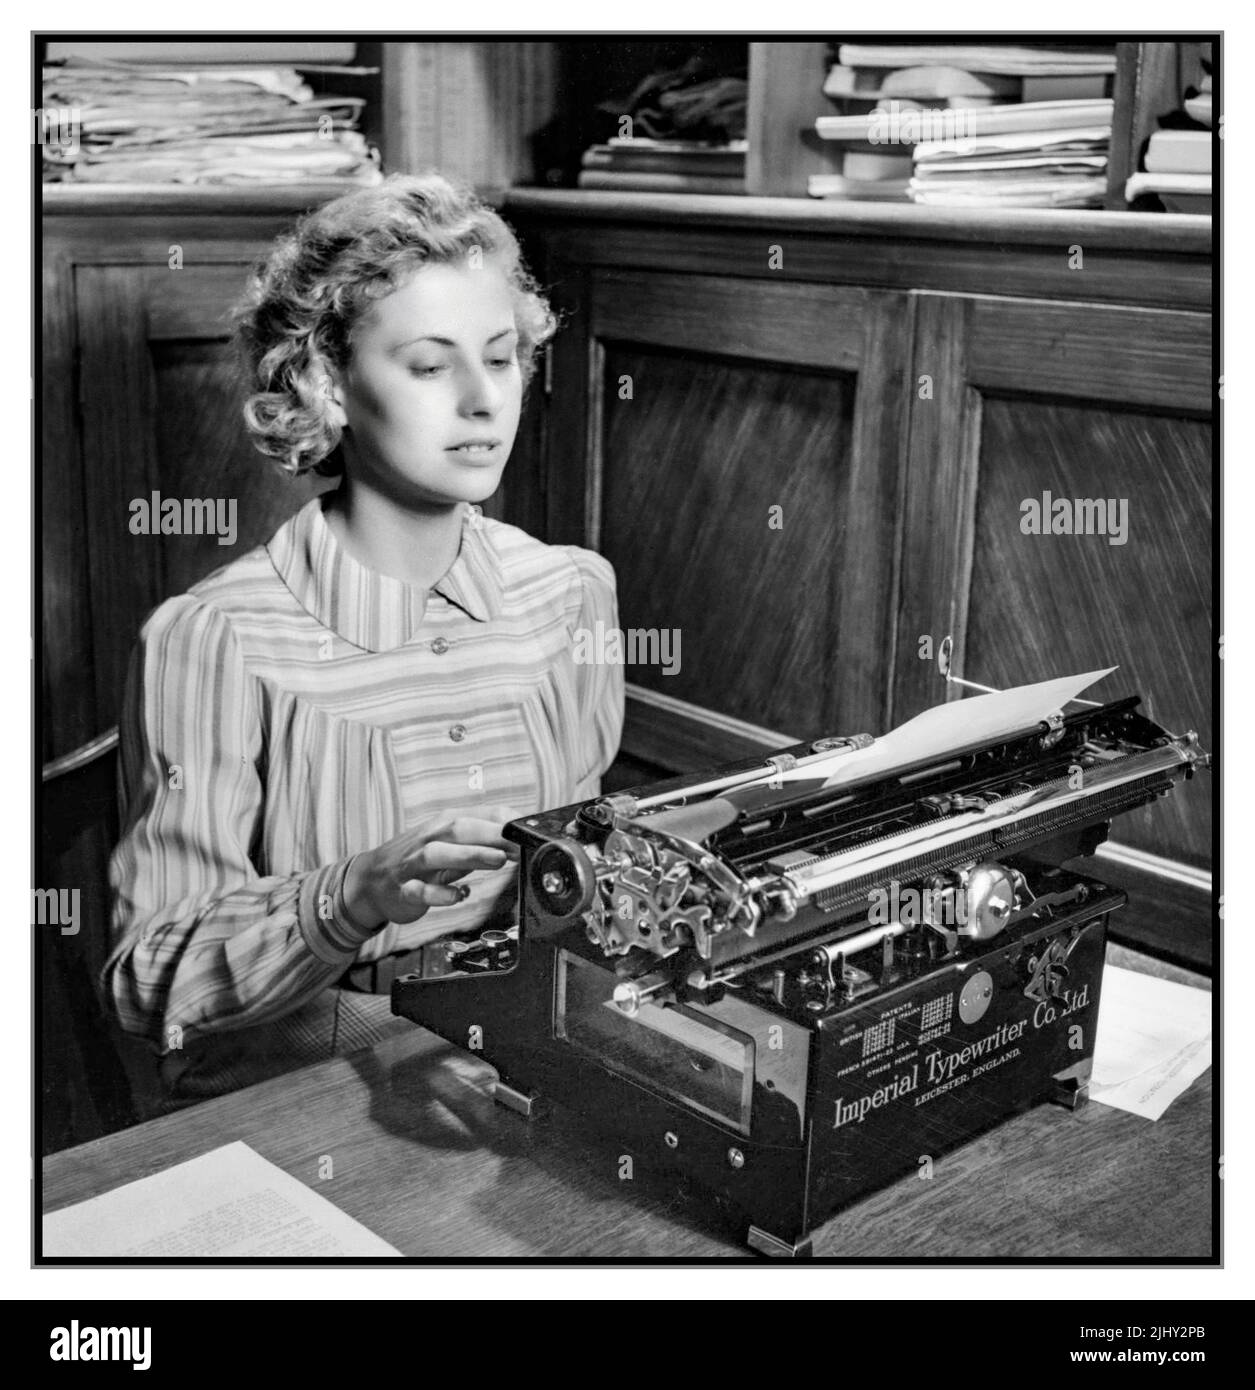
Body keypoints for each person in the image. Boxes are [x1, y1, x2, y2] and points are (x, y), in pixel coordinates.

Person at [103, 173, 625, 1109]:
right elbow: (151, 982)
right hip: (307, 1088)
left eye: (500, 359)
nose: (481, 402)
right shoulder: (213, 639)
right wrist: (347, 898)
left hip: (533, 1061)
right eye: (431, 366)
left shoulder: (571, 595)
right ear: (325, 384)